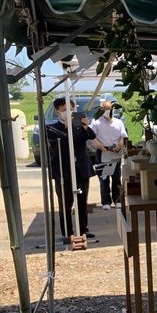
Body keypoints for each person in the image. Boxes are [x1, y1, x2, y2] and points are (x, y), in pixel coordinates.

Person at [47, 97, 98, 242]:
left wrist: (85, 126)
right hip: (63, 172)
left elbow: (91, 136)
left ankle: (83, 230)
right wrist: (67, 127)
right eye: (64, 110)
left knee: (82, 201)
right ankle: (67, 232)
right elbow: (55, 142)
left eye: (70, 109)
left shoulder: (79, 126)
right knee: (65, 203)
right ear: (57, 112)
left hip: (81, 169)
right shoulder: (54, 128)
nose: (67, 112)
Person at [91, 99, 127, 210]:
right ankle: (106, 201)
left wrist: (119, 146)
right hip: (102, 151)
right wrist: (100, 146)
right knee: (104, 177)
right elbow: (92, 137)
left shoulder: (118, 122)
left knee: (116, 177)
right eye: (106, 109)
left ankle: (117, 200)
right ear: (101, 110)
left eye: (110, 109)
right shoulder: (96, 122)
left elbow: (123, 136)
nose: (108, 111)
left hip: (115, 151)